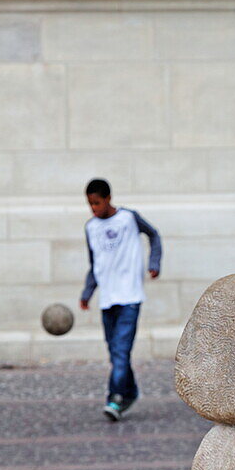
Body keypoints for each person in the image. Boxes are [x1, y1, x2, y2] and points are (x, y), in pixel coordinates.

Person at [79, 178, 162, 422]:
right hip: (107, 298)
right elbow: (95, 264)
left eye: (96, 203)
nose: (93, 208)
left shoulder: (128, 218)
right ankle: (131, 391)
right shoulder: (91, 228)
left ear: (107, 199)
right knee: (115, 351)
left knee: (121, 350)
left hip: (130, 296)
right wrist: (87, 292)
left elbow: (154, 235)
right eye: (89, 204)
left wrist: (154, 264)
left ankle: (115, 397)